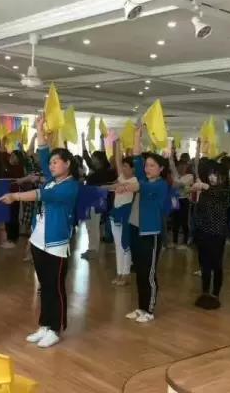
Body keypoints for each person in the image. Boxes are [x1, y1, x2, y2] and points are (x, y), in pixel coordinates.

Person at [0, 116, 78, 348]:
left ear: (67, 164)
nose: (51, 165)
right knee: (44, 286)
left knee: (55, 287)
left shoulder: (70, 186)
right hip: (39, 241)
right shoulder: (53, 180)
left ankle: (55, 328)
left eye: (56, 162)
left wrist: (15, 196)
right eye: (51, 163)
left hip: (56, 244)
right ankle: (44, 325)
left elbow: (40, 195)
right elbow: (42, 154)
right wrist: (40, 130)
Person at [116, 125, 169, 323]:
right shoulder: (142, 179)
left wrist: (126, 186)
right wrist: (138, 136)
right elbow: (137, 158)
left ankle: (149, 310)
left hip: (150, 234)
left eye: (152, 166)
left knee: (149, 273)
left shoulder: (161, 185)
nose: (147, 168)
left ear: (161, 169)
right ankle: (140, 308)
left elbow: (140, 187)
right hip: (135, 230)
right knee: (139, 271)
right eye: (147, 166)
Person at [190, 160, 230, 309]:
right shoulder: (205, 192)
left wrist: (203, 186)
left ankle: (215, 294)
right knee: (204, 265)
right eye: (211, 174)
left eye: (216, 175)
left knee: (216, 264)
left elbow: (217, 193)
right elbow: (199, 211)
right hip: (203, 232)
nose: (212, 177)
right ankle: (205, 292)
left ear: (223, 177)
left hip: (217, 233)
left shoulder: (225, 191)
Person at [80, 132, 117, 259]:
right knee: (91, 226)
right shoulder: (99, 170)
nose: (92, 159)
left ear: (100, 159)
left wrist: (101, 141)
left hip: (96, 202)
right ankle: (92, 248)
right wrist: (83, 140)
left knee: (93, 226)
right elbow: (86, 155)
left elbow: (100, 153)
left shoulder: (105, 172)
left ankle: (93, 250)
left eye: (94, 157)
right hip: (91, 201)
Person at [108, 140, 137, 287]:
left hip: (126, 214)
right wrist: (117, 145)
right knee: (118, 245)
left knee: (126, 244)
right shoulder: (121, 178)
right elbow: (118, 161)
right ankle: (119, 273)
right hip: (116, 214)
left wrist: (115, 186)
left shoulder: (135, 181)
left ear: (133, 169)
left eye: (127, 166)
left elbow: (121, 186)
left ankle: (126, 274)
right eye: (123, 166)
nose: (123, 168)